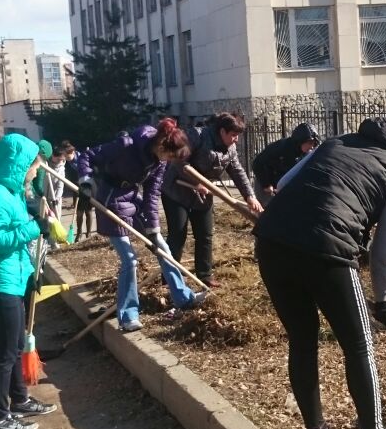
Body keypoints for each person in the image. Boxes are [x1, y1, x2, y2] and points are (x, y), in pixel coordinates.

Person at [252, 115, 386, 429]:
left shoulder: (337, 141)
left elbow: (286, 181)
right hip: (327, 250)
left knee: (302, 339)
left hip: (272, 242)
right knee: (359, 344)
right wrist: (383, 300)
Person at [76, 118, 206, 332]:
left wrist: (153, 229)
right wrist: (86, 182)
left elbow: (152, 195)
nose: (170, 161)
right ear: (162, 146)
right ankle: (128, 316)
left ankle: (184, 297)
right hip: (110, 201)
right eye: (171, 156)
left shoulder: (160, 161)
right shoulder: (126, 145)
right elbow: (87, 156)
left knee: (162, 247)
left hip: (131, 199)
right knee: (130, 260)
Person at [0, 133, 58, 429]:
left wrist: (32, 274)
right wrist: (32, 227)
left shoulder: (12, 193)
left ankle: (20, 400)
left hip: (13, 281)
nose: (36, 172)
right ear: (18, 165)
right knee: (5, 354)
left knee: (16, 345)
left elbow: (19, 236)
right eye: (33, 166)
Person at [161, 113, 263, 287]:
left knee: (205, 234)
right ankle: (169, 279)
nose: (236, 139)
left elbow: (237, 171)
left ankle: (205, 276)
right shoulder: (197, 136)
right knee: (178, 235)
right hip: (177, 191)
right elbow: (178, 160)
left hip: (203, 194)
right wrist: (197, 182)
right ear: (222, 131)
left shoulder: (230, 148)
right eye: (233, 135)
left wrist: (250, 196)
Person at [252, 122, 321, 203]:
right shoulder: (281, 147)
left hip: (281, 187)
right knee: (272, 207)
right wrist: (266, 185)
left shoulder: (305, 154)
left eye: (314, 144)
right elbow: (257, 163)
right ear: (301, 140)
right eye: (310, 143)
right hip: (265, 183)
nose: (312, 147)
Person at [73, 147, 94, 242]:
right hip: (78, 188)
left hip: (88, 189)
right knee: (79, 213)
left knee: (88, 212)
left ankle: (88, 233)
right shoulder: (76, 163)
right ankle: (79, 233)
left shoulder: (90, 163)